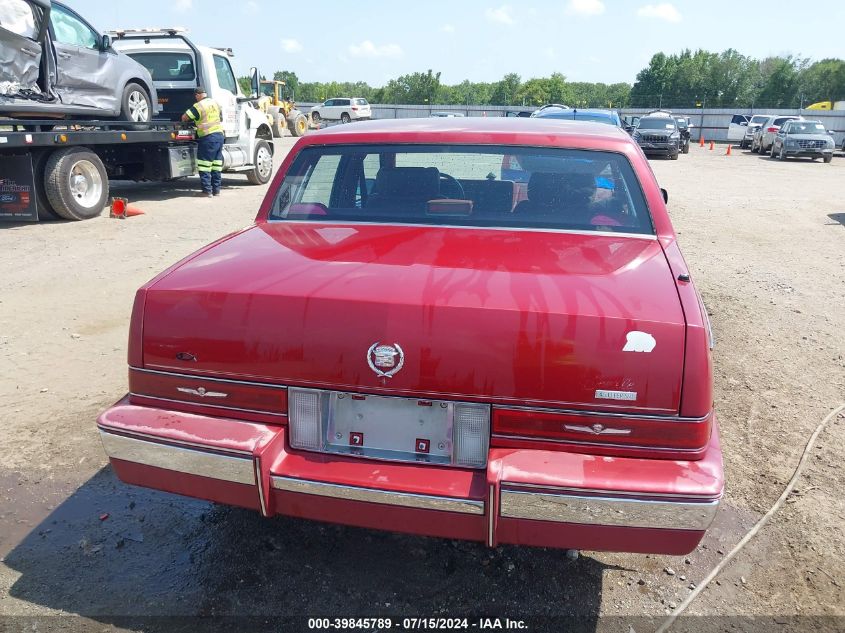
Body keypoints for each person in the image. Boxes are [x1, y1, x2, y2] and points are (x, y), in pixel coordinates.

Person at [181, 87, 224, 197]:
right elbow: (220, 117)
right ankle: (216, 190)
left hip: (208, 137)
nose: (195, 98)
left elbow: (185, 117)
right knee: (216, 165)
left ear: (198, 95)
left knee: (204, 164)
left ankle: (206, 191)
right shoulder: (215, 103)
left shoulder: (198, 106)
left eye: (196, 96)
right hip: (219, 136)